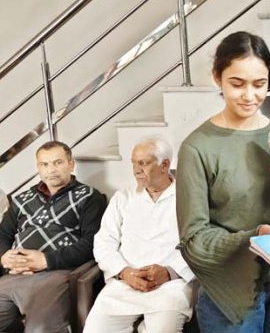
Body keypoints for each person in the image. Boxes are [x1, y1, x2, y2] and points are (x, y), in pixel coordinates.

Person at [176, 31, 270, 333]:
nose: (250, 96)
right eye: (237, 84)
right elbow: (193, 239)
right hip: (229, 290)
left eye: (259, 84)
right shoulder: (197, 147)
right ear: (217, 77)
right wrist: (254, 238)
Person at [0, 141, 107, 333]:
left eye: (57, 163)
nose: (51, 170)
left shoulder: (89, 197)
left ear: (71, 164)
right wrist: (4, 257)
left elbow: (91, 243)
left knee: (40, 329)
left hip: (55, 274)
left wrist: (46, 260)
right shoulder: (22, 199)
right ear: (38, 167)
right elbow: (1, 237)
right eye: (44, 164)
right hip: (13, 274)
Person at [83, 136, 196, 333]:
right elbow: (103, 243)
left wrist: (169, 272)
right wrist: (124, 271)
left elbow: (200, 243)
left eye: (143, 163)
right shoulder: (123, 198)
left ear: (165, 165)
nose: (136, 169)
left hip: (172, 284)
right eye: (134, 163)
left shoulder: (189, 197)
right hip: (125, 284)